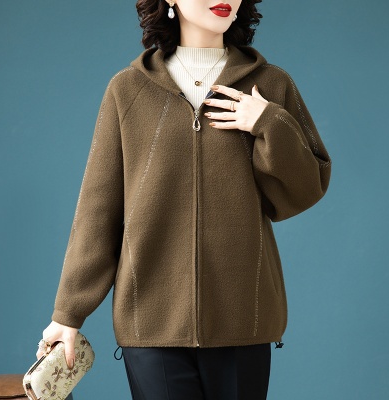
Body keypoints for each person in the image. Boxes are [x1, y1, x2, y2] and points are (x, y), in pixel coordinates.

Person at [36, 0, 331, 398]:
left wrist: (268, 123)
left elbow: (307, 187)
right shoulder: (127, 90)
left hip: (243, 319)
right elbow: (98, 211)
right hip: (150, 323)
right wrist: (67, 314)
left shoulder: (271, 85)